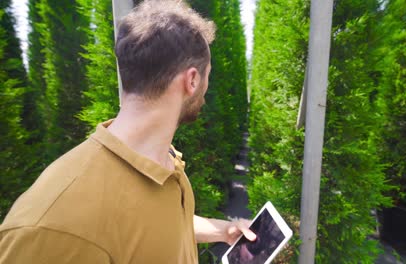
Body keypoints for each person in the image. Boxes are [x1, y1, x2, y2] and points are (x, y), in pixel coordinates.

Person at [0, 1, 256, 263]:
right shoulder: (53, 227)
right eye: (207, 75)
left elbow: (150, 226)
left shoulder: (163, 160)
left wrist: (222, 230)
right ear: (192, 80)